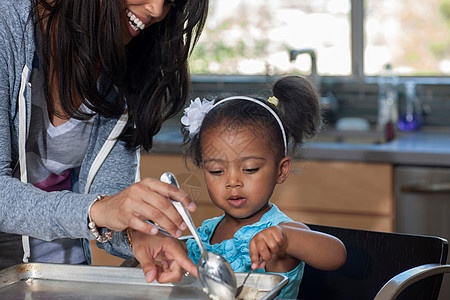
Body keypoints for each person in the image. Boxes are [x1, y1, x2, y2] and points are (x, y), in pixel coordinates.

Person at [0, 0, 208, 283]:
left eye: (171, 1)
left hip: (60, 277)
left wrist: (137, 235)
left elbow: (110, 198)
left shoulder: (126, 64)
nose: (158, 10)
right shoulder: (7, 27)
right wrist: (97, 209)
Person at [180, 75, 347, 298]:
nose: (232, 182)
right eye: (217, 171)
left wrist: (287, 239)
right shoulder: (207, 232)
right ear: (203, 170)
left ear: (281, 170)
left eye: (249, 169)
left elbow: (336, 255)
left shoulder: (280, 231)